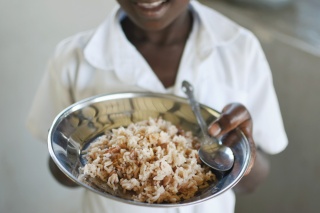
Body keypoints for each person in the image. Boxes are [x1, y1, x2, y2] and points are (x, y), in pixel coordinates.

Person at [27, 0, 288, 213]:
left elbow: (254, 181)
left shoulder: (240, 48)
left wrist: (242, 154)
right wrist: (75, 153)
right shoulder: (72, 57)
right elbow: (58, 170)